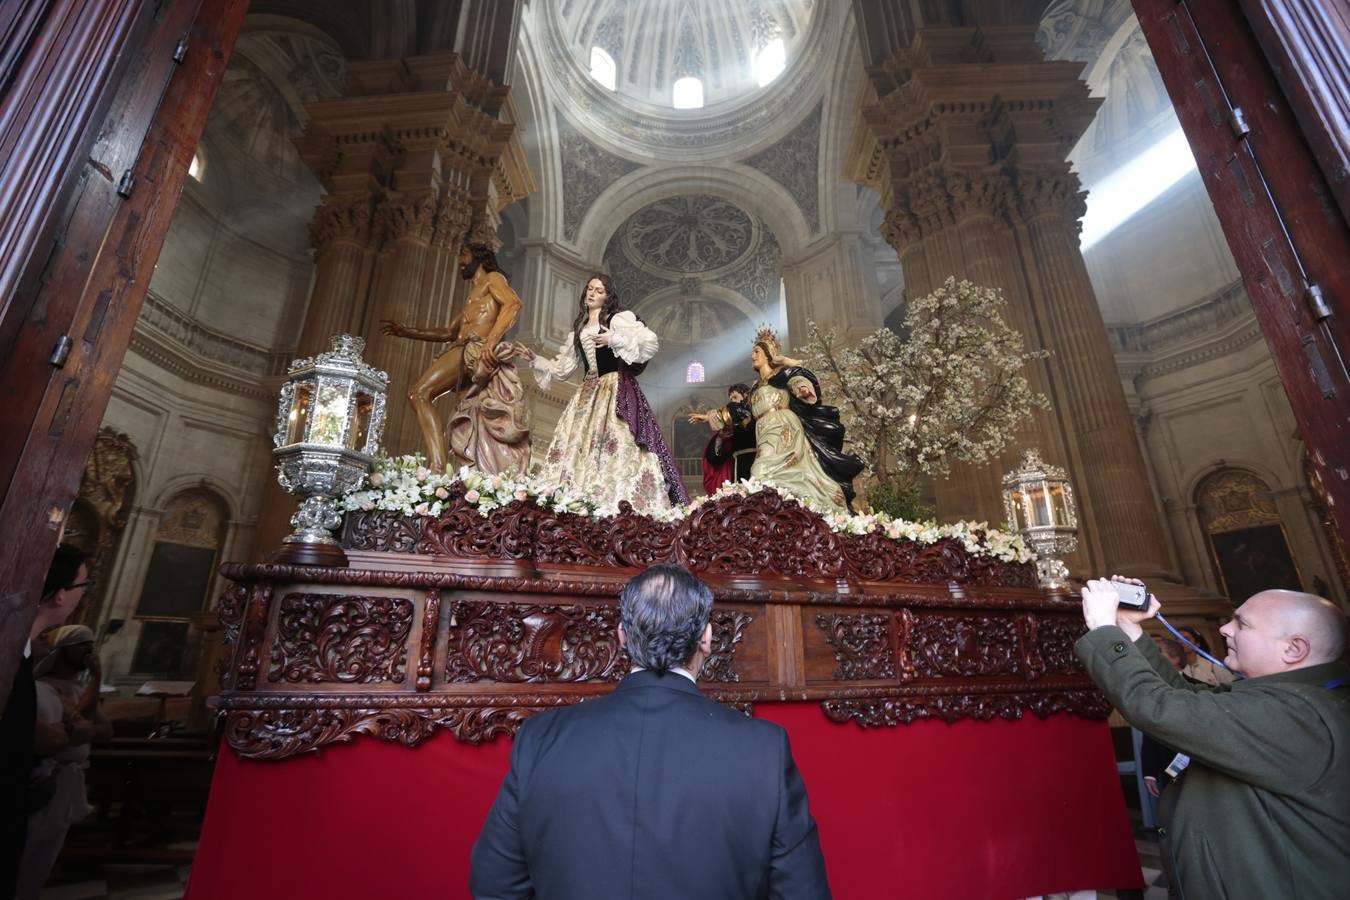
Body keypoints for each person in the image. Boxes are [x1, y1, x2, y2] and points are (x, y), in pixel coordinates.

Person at [470, 564, 831, 900]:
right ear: (706, 637)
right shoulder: (764, 750)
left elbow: (495, 884)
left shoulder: (541, 738)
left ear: (623, 637)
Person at [1076, 577, 1350, 900]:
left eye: (1241, 624)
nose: (1224, 630)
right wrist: (1128, 628)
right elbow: (1190, 698)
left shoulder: (1301, 716)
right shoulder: (1295, 698)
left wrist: (1104, 631)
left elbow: (1160, 708)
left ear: (1293, 649)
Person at [519, 275, 688, 511]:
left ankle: (617, 501)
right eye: (589, 289)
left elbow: (649, 343)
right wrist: (535, 359)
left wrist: (614, 338)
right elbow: (564, 368)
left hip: (614, 388)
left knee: (617, 440)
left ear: (607, 296)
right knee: (579, 443)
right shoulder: (579, 329)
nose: (591, 293)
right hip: (587, 394)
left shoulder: (617, 320)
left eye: (598, 291)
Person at [380, 243, 527, 474]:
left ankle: (437, 466)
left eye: (464, 255)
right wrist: (407, 331)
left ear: (478, 258)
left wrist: (490, 342)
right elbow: (449, 332)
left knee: (418, 393)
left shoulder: (493, 279)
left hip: (473, 349)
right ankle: (459, 463)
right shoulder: (474, 295)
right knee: (465, 412)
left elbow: (513, 304)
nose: (460, 260)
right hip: (464, 347)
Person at [1, 545, 89, 899]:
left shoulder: (18, 653)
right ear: (61, 594)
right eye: (84, 585)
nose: (84, 595)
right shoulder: (7, 658)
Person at [17, 625, 110, 899]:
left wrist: (79, 729)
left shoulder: (74, 687)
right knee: (25, 855)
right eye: (82, 644)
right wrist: (96, 680)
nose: (89, 651)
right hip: (41, 779)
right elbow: (79, 726)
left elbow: (102, 730)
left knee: (41, 858)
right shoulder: (42, 687)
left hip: (62, 780)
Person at [745, 327, 863, 513]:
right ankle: (788, 512)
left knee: (761, 472)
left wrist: (802, 388)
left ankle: (788, 512)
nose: (753, 356)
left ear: (768, 355)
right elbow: (739, 412)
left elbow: (798, 378)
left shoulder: (780, 376)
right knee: (780, 474)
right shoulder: (755, 387)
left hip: (782, 426)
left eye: (757, 352)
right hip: (764, 429)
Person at [688, 382, 755, 494]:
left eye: (735, 397)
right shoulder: (733, 422)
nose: (733, 401)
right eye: (731, 398)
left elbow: (731, 411)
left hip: (758, 456)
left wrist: (707, 417)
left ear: (746, 395)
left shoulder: (749, 410)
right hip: (740, 460)